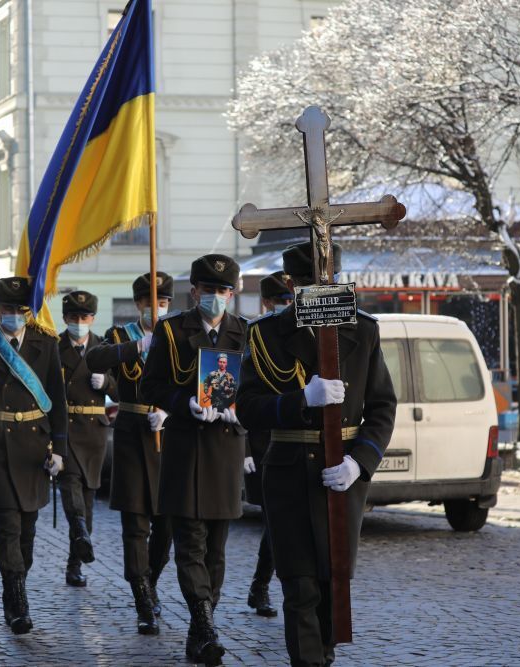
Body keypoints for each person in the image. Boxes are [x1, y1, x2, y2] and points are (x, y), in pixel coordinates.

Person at [235, 241, 397, 667]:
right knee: (300, 584)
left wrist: (359, 462)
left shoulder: (363, 329)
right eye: (309, 282)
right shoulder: (266, 333)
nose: (319, 289)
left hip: (340, 473)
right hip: (289, 473)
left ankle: (322, 656)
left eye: (326, 279)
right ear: (292, 284)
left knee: (333, 582)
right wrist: (299, 400)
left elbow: (382, 406)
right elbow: (248, 407)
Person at [139, 254, 248, 665]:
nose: (217, 297)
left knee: (216, 551)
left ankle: (199, 634)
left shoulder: (243, 332)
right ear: (195, 291)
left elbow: (252, 389)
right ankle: (205, 625)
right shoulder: (170, 331)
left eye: (224, 291)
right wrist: (184, 402)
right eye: (210, 290)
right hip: (186, 450)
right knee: (190, 545)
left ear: (232, 293)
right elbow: (151, 385)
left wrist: (242, 410)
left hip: (225, 449)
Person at [0, 276, 67, 635]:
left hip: (35, 448)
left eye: (21, 311)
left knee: (27, 532)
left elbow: (58, 401)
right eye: (8, 310)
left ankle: (14, 586)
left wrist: (61, 449)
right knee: (7, 527)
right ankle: (18, 603)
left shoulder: (46, 344)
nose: (15, 316)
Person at [86, 271, 174, 635]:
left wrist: (168, 411)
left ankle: (150, 579)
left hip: (168, 438)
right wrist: (136, 347)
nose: (158, 309)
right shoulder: (122, 336)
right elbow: (96, 358)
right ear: (139, 304)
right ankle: (142, 597)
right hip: (131, 438)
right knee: (135, 525)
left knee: (166, 527)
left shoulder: (179, 335)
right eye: (152, 303)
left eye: (164, 303)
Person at [55, 290, 117, 588]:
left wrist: (107, 382)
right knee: (71, 488)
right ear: (65, 318)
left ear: (93, 318)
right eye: (73, 317)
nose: (79, 322)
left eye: (85, 317)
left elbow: (122, 392)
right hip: (66, 429)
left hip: (94, 431)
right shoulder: (54, 348)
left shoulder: (102, 349)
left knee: (89, 499)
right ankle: (78, 530)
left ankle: (75, 561)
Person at [243, 270, 293, 618]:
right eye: (279, 301)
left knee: (286, 521)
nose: (285, 306)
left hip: (296, 436)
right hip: (263, 441)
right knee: (277, 519)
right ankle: (262, 586)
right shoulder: (255, 335)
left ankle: (269, 585)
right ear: (266, 303)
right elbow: (240, 394)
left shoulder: (303, 332)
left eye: (289, 301)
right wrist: (244, 448)